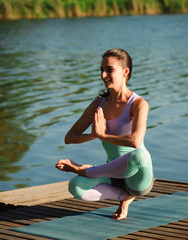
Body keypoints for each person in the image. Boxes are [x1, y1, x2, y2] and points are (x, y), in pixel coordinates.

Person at [56, 48, 154, 220]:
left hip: (137, 178)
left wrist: (102, 135)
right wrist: (93, 135)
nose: (103, 75)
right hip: (113, 173)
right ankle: (123, 197)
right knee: (76, 187)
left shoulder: (138, 104)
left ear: (125, 71)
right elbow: (70, 137)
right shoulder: (98, 104)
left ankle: (88, 171)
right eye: (101, 70)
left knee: (140, 155)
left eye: (109, 70)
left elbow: (135, 141)